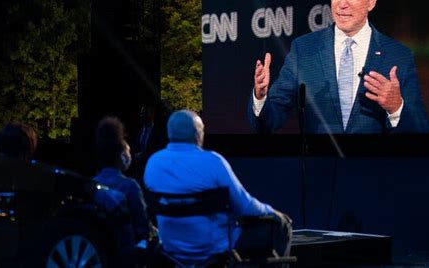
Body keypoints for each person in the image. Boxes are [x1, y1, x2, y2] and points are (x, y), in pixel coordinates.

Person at [248, 0, 429, 134]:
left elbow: (421, 131)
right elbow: (268, 122)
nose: (342, 3)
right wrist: (261, 97)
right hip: (319, 164)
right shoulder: (304, 50)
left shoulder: (398, 56)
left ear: (372, 0)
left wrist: (396, 107)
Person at [143, 110, 292, 263]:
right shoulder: (213, 162)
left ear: (170, 133)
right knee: (282, 224)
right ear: (198, 134)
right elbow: (245, 207)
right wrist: (271, 211)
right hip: (214, 250)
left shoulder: (153, 163)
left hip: (172, 251)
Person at [93, 116, 154, 248]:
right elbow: (142, 223)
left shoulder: (92, 184)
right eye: (128, 151)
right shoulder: (130, 186)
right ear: (122, 156)